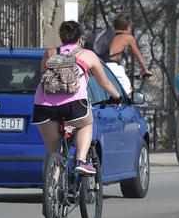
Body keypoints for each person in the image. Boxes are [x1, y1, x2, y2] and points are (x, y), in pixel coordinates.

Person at [33, 20, 125, 176]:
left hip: (43, 107)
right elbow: (104, 83)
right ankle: (81, 161)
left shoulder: (49, 53)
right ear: (80, 38)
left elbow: (44, 78)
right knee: (86, 123)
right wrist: (117, 97)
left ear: (62, 37)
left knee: (53, 150)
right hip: (74, 104)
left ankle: (52, 186)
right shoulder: (88, 55)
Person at [93, 14, 150, 101]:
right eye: (130, 27)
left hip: (99, 66)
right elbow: (139, 56)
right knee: (128, 93)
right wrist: (144, 69)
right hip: (112, 67)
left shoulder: (107, 35)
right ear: (127, 27)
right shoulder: (128, 38)